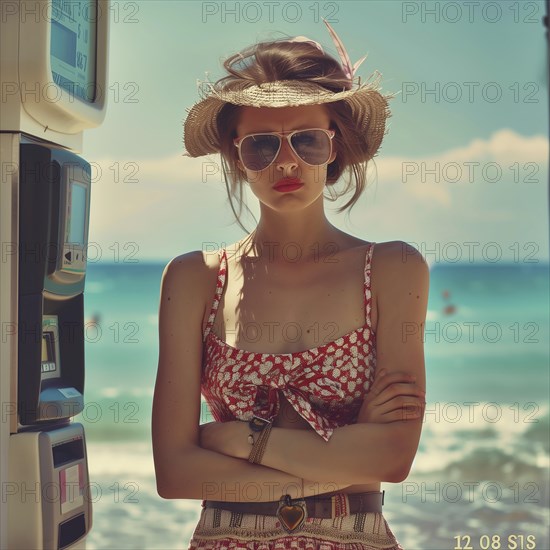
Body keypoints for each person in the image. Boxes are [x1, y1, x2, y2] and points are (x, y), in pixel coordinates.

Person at [152, 19, 429, 550]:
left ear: (336, 145)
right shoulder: (195, 278)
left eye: (306, 140)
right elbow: (175, 472)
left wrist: (242, 441)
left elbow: (395, 458)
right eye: (261, 145)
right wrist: (346, 457)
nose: (286, 161)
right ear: (235, 153)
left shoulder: (393, 269)